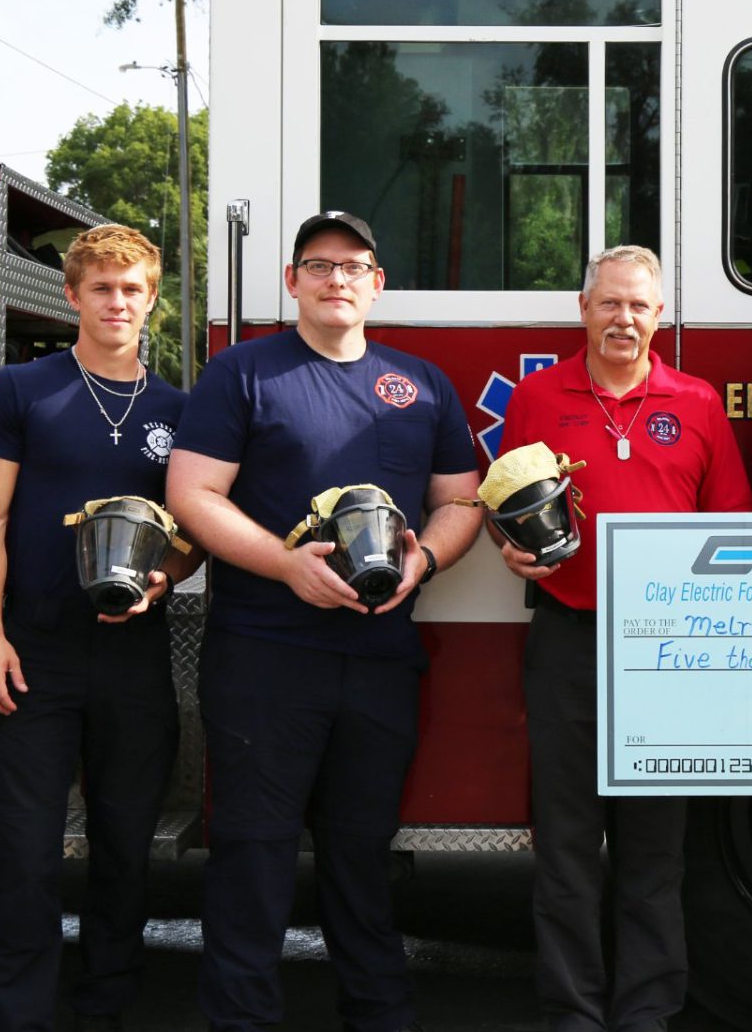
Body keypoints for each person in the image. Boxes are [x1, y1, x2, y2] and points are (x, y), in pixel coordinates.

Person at [168, 210, 484, 1032]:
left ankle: (379, 1014)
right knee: (253, 855)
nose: (336, 278)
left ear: (377, 283)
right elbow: (192, 494)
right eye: (318, 264)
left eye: (353, 266)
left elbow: (461, 500)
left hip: (380, 660)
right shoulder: (242, 372)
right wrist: (285, 564)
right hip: (265, 658)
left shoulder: (421, 384)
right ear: (292, 281)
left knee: (362, 856)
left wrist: (425, 560)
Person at [494, 245, 752, 1032]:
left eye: (639, 305)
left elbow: (734, 528)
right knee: (565, 845)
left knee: (654, 847)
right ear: (583, 309)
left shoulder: (697, 402)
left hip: (664, 652)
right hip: (567, 639)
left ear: (660, 315)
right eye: (609, 303)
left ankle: (647, 1010)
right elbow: (503, 505)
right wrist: (509, 550)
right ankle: (573, 1011)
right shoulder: (537, 397)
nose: (624, 318)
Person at [0, 224, 203, 1032]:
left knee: (126, 847)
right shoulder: (22, 390)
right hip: (34, 653)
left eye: (132, 288)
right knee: (24, 853)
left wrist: (167, 575)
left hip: (134, 657)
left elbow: (193, 530)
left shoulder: (179, 410)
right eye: (102, 287)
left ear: (152, 299)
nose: (117, 302)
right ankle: (20, 1014)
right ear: (72, 295)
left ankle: (106, 1003)